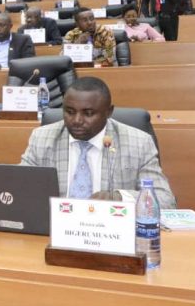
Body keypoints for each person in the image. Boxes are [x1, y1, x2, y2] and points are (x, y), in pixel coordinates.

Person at [19, 77, 176, 208]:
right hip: (54, 232)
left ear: (109, 112)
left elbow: (165, 200)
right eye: (70, 112)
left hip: (110, 234)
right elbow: (19, 187)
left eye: (88, 113)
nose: (77, 121)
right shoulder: (41, 138)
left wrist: (119, 199)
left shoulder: (139, 143)